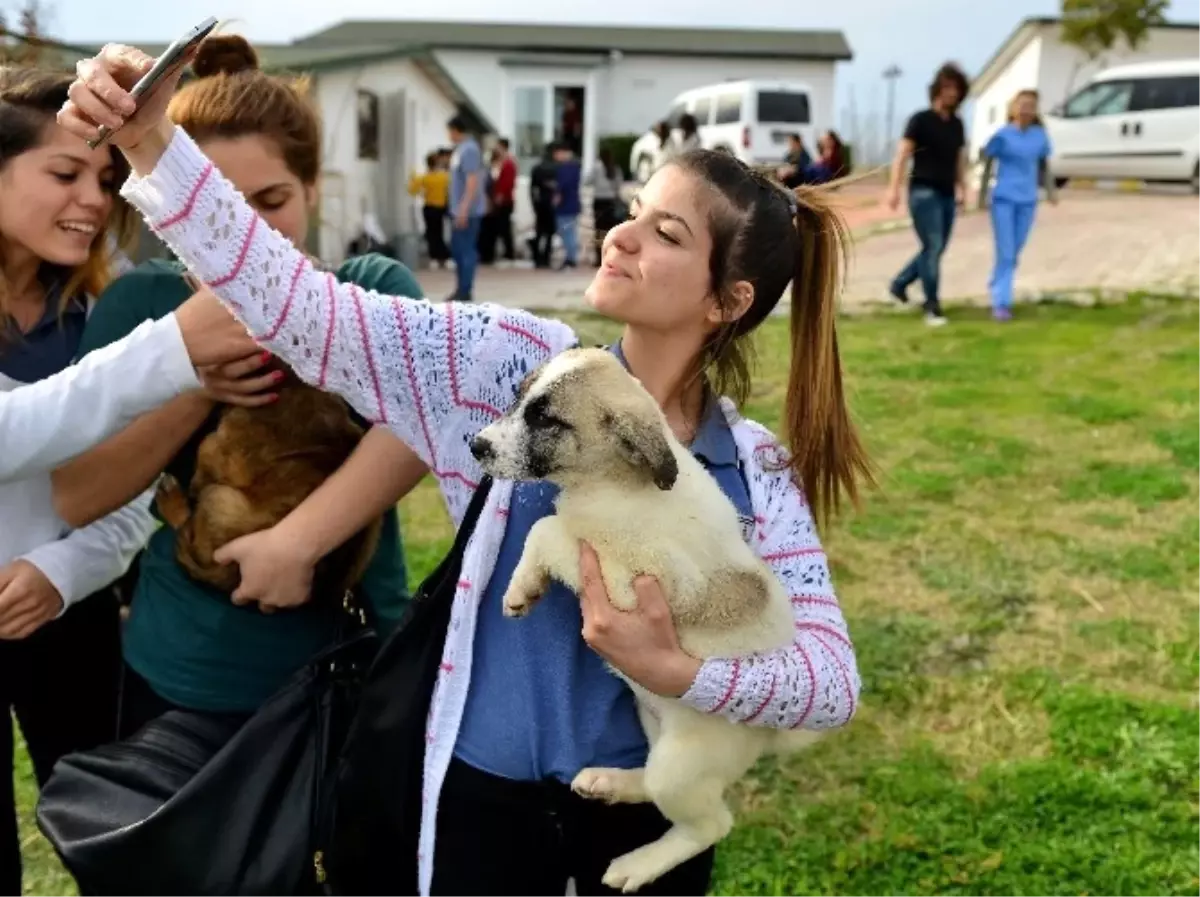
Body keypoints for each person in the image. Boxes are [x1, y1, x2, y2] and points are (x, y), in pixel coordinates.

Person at [60, 43, 869, 897]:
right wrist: (153, 145)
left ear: (726, 302)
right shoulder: (502, 365)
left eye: (664, 232)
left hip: (643, 818)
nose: (620, 234)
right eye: (633, 210)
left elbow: (830, 682)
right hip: (481, 803)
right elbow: (304, 309)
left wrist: (683, 674)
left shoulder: (753, 468)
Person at [50, 36, 430, 747]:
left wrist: (296, 542)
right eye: (220, 203)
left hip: (354, 658)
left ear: (313, 188)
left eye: (273, 199)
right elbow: (77, 495)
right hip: (186, 675)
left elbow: (420, 421)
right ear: (174, 199)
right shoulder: (141, 305)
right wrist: (190, 380)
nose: (246, 231)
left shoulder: (372, 291)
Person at [0, 65, 150, 897]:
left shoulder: (110, 313)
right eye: (65, 173)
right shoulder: (136, 351)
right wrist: (173, 359)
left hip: (72, 615)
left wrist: (62, 574)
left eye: (106, 178)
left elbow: (137, 487)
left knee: (114, 841)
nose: (94, 200)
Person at [1, 295, 257, 483]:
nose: (99, 218)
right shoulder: (136, 298)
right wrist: (170, 346)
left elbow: (125, 501)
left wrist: (57, 559)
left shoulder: (108, 299)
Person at [886, 62, 970, 327]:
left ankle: (900, 283)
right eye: (947, 87)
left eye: (956, 88)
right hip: (923, 191)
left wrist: (963, 188)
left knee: (935, 248)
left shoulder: (957, 124)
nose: (951, 93)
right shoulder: (920, 120)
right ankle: (932, 305)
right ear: (937, 89)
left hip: (946, 193)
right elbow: (902, 155)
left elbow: (959, 159)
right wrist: (894, 189)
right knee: (932, 246)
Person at [979, 90, 1056, 322]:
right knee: (1006, 251)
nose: (1025, 110)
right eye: (1022, 105)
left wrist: (1051, 191)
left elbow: (1044, 164)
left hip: (1028, 200)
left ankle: (996, 281)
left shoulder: (1039, 136)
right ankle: (1001, 302)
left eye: (1030, 106)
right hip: (1003, 199)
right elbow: (987, 162)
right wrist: (981, 196)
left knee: (1015, 250)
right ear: (1013, 108)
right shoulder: (1002, 135)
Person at [446, 115, 485, 301]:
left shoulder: (469, 149)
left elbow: (472, 180)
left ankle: (465, 290)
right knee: (458, 250)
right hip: (458, 209)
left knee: (466, 250)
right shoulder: (460, 150)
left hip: (467, 211)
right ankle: (460, 287)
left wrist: (463, 209)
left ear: (455, 130)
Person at [409, 151, 450, 268]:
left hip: (429, 207)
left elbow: (412, 191)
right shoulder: (444, 177)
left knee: (431, 233)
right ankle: (444, 257)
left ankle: (434, 257)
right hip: (441, 207)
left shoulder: (424, 177)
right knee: (440, 232)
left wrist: (413, 177)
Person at [587, 147, 624, 267]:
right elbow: (619, 184)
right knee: (611, 231)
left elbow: (587, 180)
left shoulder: (597, 167)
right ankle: (612, 257)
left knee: (599, 231)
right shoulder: (615, 168)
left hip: (599, 202)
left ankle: (599, 258)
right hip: (611, 201)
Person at [553, 142, 582, 270]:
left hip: (566, 205)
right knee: (570, 232)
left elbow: (562, 186)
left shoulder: (566, 168)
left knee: (567, 232)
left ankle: (570, 258)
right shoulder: (575, 167)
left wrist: (557, 197)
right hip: (572, 204)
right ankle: (571, 257)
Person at [528, 143, 558, 268]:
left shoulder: (537, 168)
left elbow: (532, 188)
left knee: (539, 232)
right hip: (552, 203)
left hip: (540, 202)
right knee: (550, 233)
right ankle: (546, 257)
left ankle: (537, 257)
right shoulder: (557, 168)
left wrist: (534, 204)